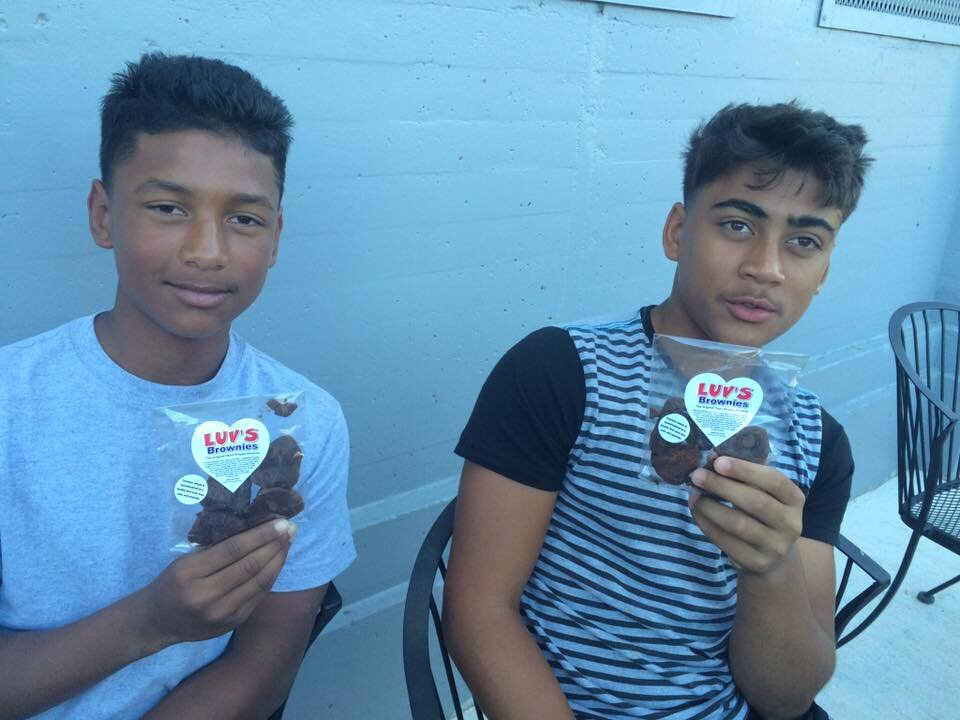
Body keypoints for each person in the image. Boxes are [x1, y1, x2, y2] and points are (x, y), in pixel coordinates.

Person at [444, 102, 872, 720]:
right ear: (677, 231)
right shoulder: (561, 371)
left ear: (824, 269)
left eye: (804, 241)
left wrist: (770, 569)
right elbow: (479, 611)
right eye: (736, 225)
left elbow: (785, 697)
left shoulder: (814, 439)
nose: (767, 268)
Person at [0, 53, 355, 719]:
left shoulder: (305, 424)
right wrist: (149, 623)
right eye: (168, 207)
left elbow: (263, 668)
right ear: (104, 215)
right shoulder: (11, 406)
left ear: (275, 236)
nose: (208, 251)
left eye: (244, 219)